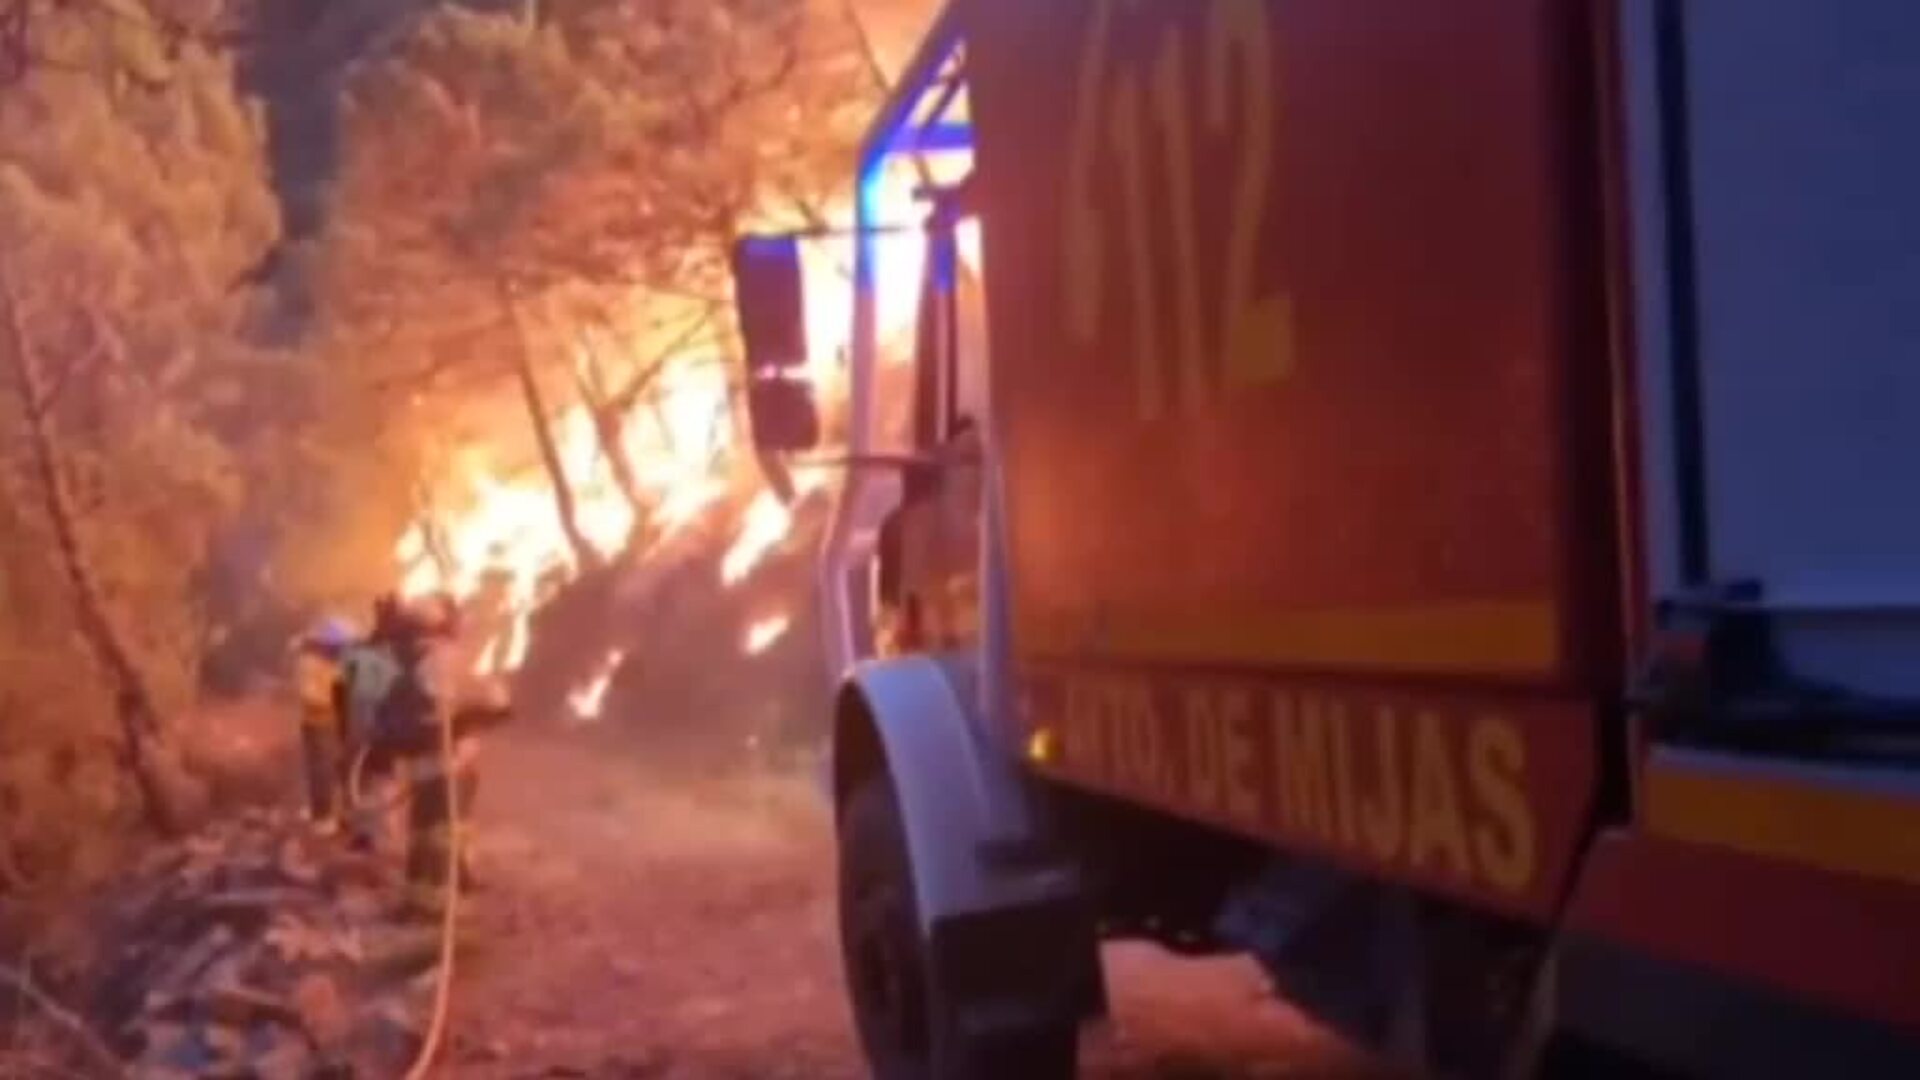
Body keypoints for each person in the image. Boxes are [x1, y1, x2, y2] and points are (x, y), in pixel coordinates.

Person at [293, 616, 357, 832]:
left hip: (334, 723)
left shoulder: (340, 664)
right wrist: (336, 699)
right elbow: (310, 695)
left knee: (336, 769)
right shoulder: (310, 663)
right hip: (318, 723)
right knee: (321, 770)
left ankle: (335, 812)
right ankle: (322, 815)